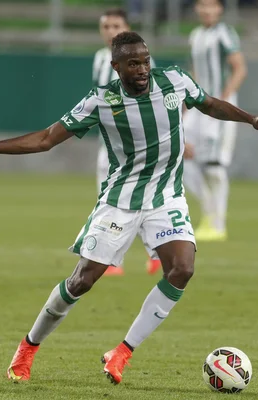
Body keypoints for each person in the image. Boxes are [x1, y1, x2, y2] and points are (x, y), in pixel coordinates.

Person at [0, 32, 258, 385]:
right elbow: (45, 139)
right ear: (116, 67)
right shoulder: (101, 101)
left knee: (182, 268)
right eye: (133, 63)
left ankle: (122, 353)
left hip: (165, 197)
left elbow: (209, 103)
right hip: (120, 202)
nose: (143, 68)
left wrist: (250, 119)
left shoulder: (174, 80)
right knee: (81, 280)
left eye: (146, 61)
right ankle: (28, 347)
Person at [93, 8, 161, 276]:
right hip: (107, 145)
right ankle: (113, 259)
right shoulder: (100, 59)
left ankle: (153, 253)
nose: (111, 31)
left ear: (126, 28)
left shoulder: (139, 60)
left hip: (136, 147)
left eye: (116, 26)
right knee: (107, 201)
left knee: (136, 200)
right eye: (106, 26)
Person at [182, 0, 248, 242]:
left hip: (219, 106)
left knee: (214, 165)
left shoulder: (225, 34)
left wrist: (224, 99)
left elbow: (239, 68)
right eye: (203, 5)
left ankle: (218, 224)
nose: (207, 10)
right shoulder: (195, 35)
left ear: (220, 9)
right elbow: (194, 72)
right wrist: (187, 104)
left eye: (212, 6)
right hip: (199, 104)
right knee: (179, 154)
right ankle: (209, 211)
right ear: (197, 9)